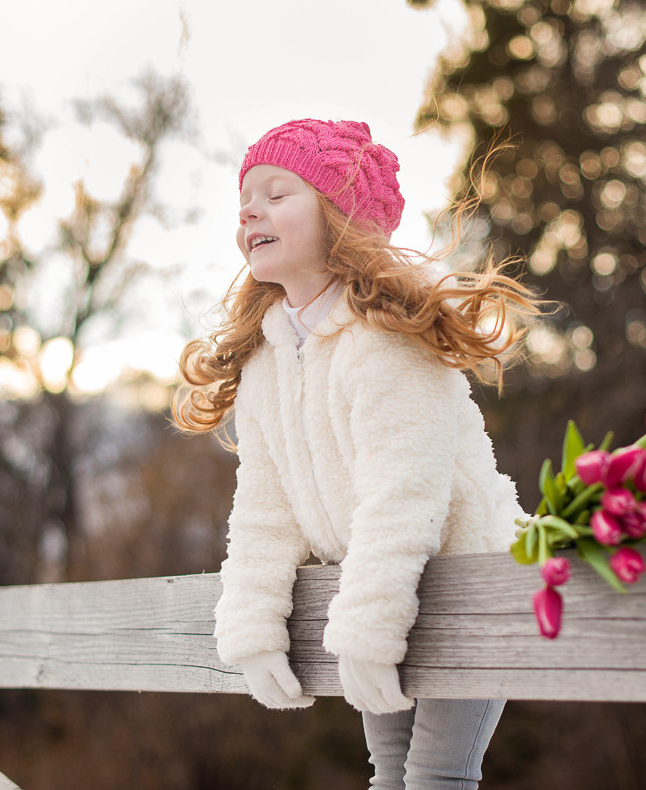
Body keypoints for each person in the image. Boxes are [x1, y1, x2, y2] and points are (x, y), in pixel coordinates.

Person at [173, 119, 541, 789]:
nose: (250, 210)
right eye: (244, 200)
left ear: (337, 217)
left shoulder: (385, 336)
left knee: (435, 775)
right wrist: (252, 627)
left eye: (276, 193)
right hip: (380, 583)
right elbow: (265, 509)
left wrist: (368, 628)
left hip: (465, 579)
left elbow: (404, 492)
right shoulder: (268, 361)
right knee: (388, 774)